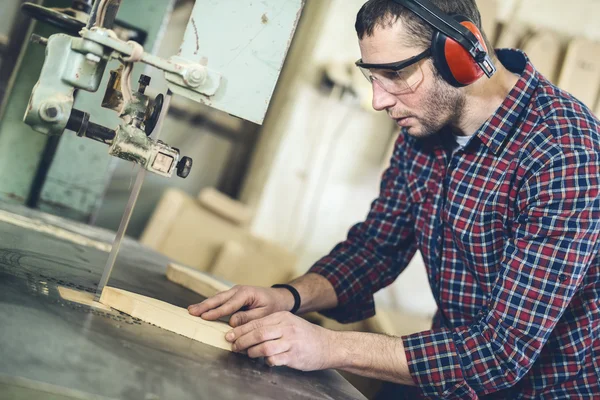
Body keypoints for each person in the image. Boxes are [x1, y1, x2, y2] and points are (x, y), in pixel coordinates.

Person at [188, 0, 600, 398]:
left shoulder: (564, 154)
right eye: (373, 76)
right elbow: (376, 249)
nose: (379, 101)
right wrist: (289, 296)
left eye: (396, 74)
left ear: (461, 55)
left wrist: (329, 347)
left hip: (543, 388)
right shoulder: (425, 130)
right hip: (450, 370)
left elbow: (500, 351)